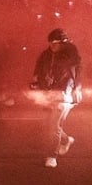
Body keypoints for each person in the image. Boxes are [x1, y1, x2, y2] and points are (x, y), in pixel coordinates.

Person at [30, 28, 82, 168]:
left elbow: (77, 75)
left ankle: (52, 156)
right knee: (49, 124)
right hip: (48, 93)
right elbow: (38, 70)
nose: (52, 45)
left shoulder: (71, 56)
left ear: (63, 43)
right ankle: (65, 140)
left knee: (54, 126)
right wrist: (36, 82)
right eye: (51, 43)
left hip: (64, 94)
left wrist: (77, 89)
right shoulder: (45, 55)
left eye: (56, 43)